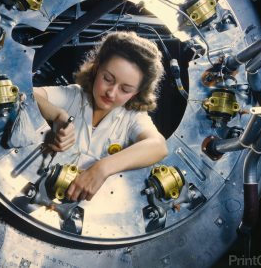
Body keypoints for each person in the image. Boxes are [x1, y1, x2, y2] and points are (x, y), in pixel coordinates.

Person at [33, 31, 168, 202]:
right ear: (96, 68)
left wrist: (102, 168)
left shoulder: (133, 118)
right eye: (108, 78)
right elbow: (29, 95)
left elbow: (158, 146)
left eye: (125, 89)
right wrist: (59, 115)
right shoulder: (74, 96)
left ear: (135, 94)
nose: (111, 92)